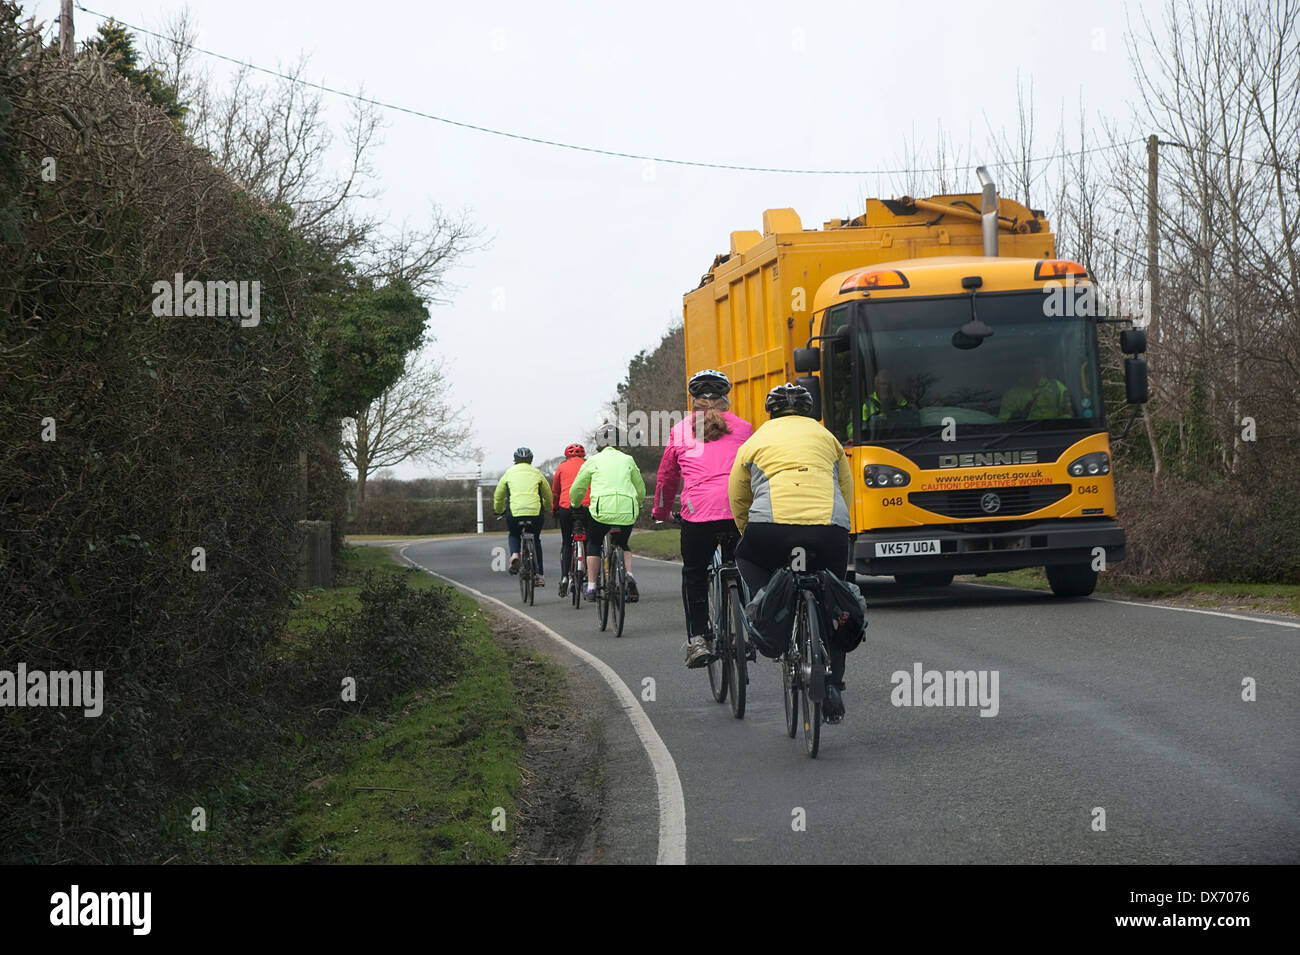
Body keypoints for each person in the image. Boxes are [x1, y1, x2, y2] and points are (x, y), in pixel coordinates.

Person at [729, 383, 854, 722]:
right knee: (835, 600)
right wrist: (843, 528)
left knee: (747, 557)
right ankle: (833, 687)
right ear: (811, 411)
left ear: (770, 412)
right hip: (828, 530)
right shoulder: (828, 438)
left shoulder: (754, 441)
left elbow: (738, 494)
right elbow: (846, 487)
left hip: (770, 529)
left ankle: (766, 614)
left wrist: (747, 531)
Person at [652, 369, 753, 668]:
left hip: (698, 515)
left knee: (695, 574)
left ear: (693, 401)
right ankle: (751, 627)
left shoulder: (680, 430)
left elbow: (666, 478)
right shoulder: (745, 428)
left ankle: (698, 639)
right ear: (726, 399)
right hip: (737, 511)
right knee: (748, 567)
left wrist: (660, 511)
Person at [571, 425, 646, 603]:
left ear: (598, 442)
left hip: (601, 511)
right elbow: (640, 487)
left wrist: (575, 504)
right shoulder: (628, 459)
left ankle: (591, 586)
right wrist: (640, 503)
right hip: (627, 510)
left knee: (594, 543)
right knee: (623, 543)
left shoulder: (593, 461)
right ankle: (628, 574)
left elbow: (578, 488)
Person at [493, 446, 552, 587]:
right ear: (531, 460)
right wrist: (548, 507)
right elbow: (547, 494)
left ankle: (514, 555)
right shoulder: (537, 473)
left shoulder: (508, 473)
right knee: (536, 540)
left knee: (514, 534)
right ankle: (539, 575)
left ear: (515, 460)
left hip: (515, 513)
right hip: (534, 513)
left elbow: (499, 496)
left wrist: (499, 510)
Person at [551, 443, 592, 598]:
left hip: (566, 507)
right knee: (590, 541)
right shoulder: (589, 464)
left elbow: (555, 491)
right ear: (583, 455)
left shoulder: (561, 467)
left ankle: (564, 577)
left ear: (566, 456)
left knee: (567, 543)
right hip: (586, 506)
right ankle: (590, 578)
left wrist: (554, 509)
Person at [998, 355, 1073, 420]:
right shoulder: (1011, 395)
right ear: (1024, 368)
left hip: (1058, 432)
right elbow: (1005, 424)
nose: (1034, 367)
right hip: (1025, 435)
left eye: (1037, 363)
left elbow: (1068, 414)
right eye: (1030, 364)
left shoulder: (1057, 386)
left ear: (1044, 367)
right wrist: (1022, 414)